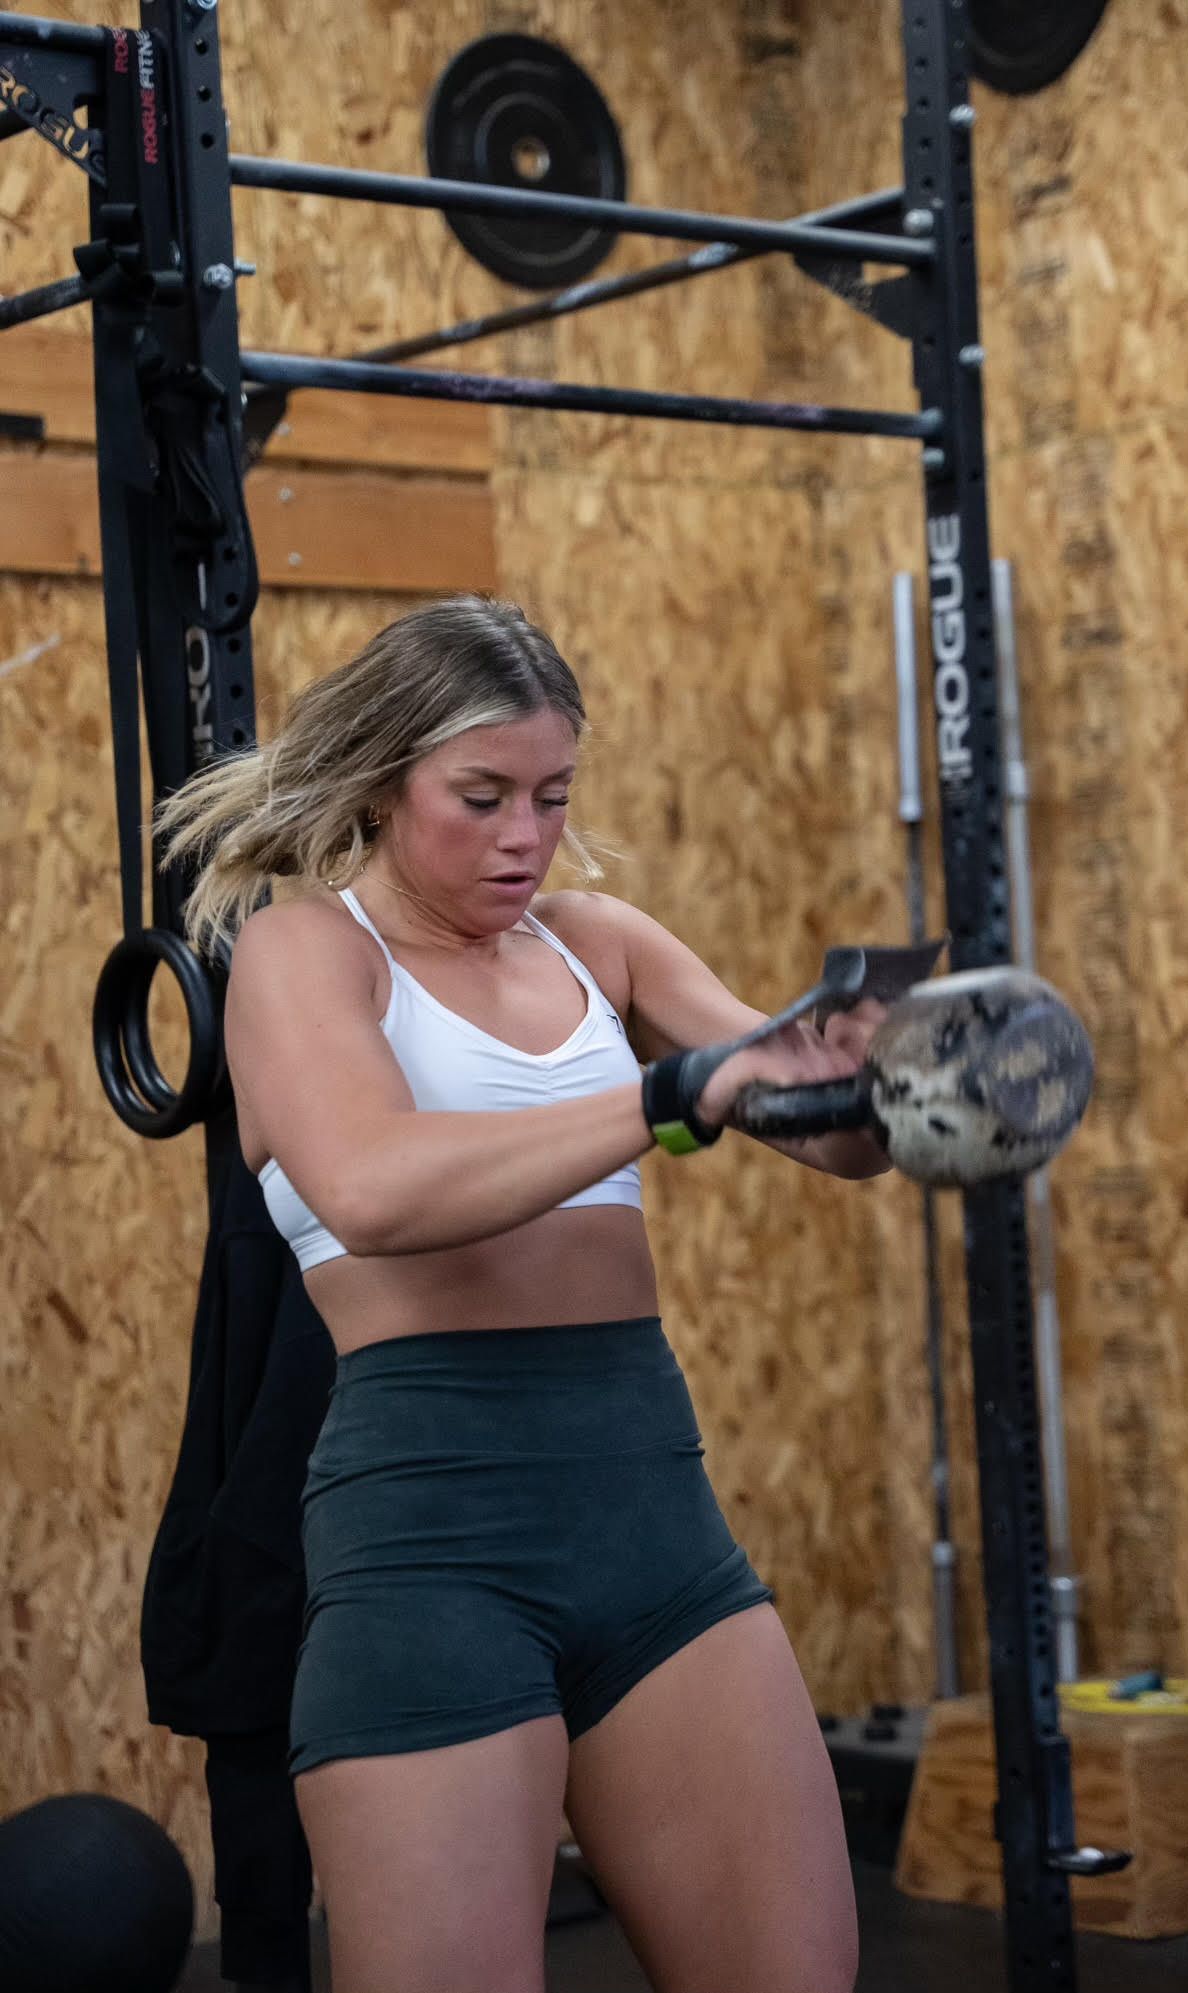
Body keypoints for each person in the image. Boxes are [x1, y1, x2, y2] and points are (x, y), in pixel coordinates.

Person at [155, 594, 890, 1993]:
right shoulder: (308, 954)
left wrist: (883, 1074)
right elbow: (374, 1187)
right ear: (381, 783)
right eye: (480, 796)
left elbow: (836, 1138)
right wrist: (673, 1096)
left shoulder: (595, 942)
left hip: (653, 1523)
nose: (523, 837)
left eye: (552, 797)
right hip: (434, 1545)